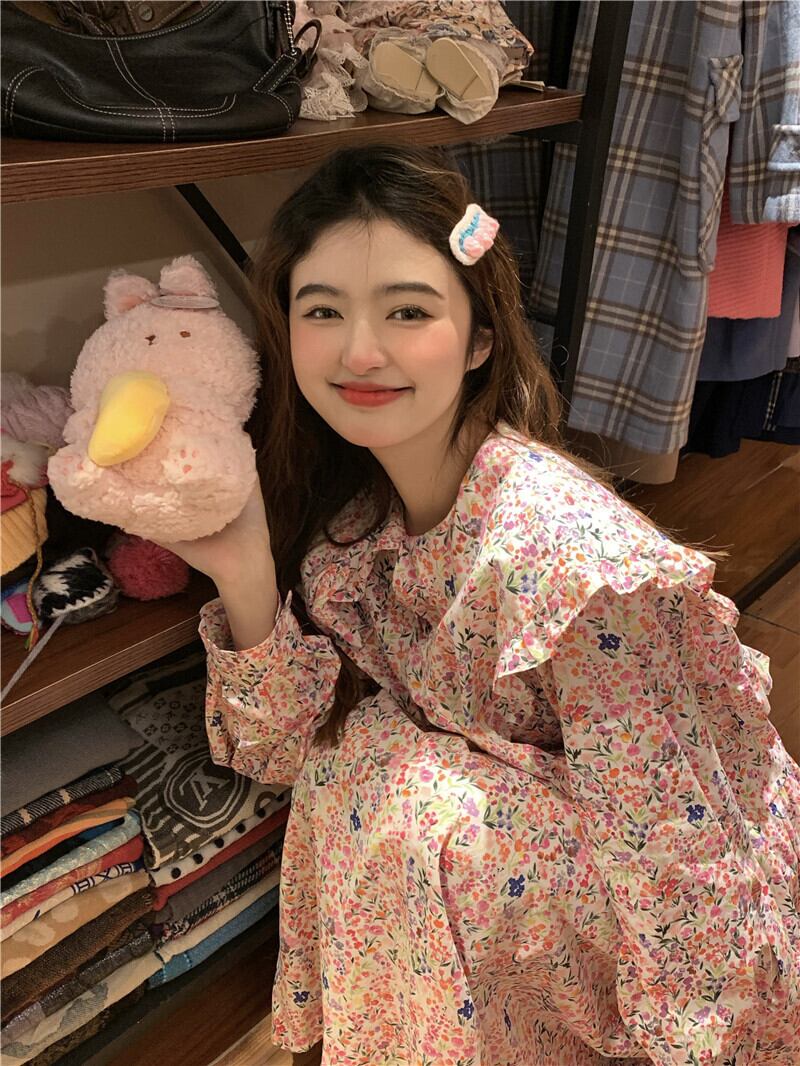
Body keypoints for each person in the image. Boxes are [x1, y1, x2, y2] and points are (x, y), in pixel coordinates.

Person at [159, 145, 800, 1066]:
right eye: (323, 310)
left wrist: (708, 1048)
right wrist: (246, 573)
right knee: (359, 765)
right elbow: (285, 754)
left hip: (666, 923)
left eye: (408, 311)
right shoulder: (353, 530)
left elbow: (682, 858)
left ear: (480, 339)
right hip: (534, 917)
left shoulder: (569, 561)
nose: (360, 351)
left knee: (406, 796)